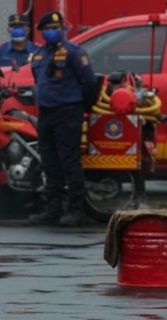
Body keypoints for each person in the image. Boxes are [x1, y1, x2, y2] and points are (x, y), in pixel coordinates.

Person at [28, 11, 98, 227]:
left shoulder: (74, 53)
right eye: (47, 29)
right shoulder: (39, 55)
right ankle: (53, 209)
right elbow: (38, 80)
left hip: (68, 113)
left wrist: (83, 106)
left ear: (63, 30)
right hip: (46, 115)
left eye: (55, 28)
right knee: (50, 163)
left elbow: (89, 82)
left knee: (69, 162)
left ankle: (76, 210)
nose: (51, 32)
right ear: (41, 32)